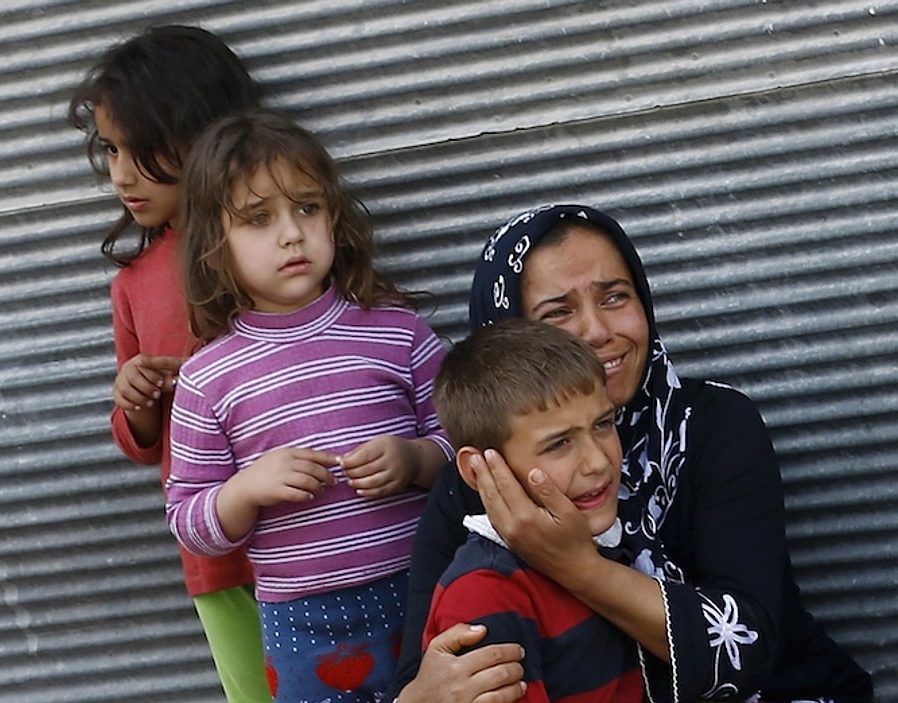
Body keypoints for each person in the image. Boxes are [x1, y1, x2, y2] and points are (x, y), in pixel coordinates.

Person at [387, 204, 873, 703]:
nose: (597, 331)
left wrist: (575, 566)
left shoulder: (710, 427)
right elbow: (426, 669)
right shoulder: (477, 487)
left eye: (614, 296)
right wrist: (422, 697)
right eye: (558, 312)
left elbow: (747, 643)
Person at [164, 109, 454, 703]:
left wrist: (417, 460)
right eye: (258, 219)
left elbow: (470, 442)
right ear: (213, 248)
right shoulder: (206, 379)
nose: (291, 234)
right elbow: (188, 521)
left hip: (429, 588)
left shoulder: (395, 333)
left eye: (306, 208)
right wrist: (246, 490)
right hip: (304, 624)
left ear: (334, 218)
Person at [67, 25, 272, 703]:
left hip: (314, 530)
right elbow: (139, 441)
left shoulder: (273, 245)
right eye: (111, 151)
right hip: (216, 553)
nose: (120, 174)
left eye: (139, 149)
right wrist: (135, 401)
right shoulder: (134, 282)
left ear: (200, 133)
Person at [427, 317, 644, 703]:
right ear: (478, 470)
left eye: (603, 424)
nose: (597, 462)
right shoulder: (486, 593)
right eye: (559, 444)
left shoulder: (602, 542)